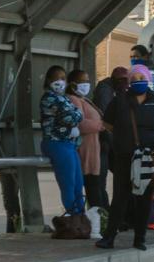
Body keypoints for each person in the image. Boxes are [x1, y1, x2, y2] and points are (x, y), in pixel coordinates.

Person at [96, 64, 154, 251]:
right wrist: (125, 136)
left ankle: (140, 238)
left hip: (150, 156)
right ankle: (109, 237)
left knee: (145, 197)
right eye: (134, 78)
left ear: (148, 80)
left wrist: (151, 138)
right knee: (120, 197)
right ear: (129, 81)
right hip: (125, 155)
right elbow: (108, 124)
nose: (138, 81)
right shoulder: (120, 100)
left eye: (142, 78)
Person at [40, 66, 85, 237]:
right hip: (56, 143)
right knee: (68, 184)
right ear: (49, 81)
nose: (60, 81)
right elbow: (72, 117)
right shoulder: (49, 98)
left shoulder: (63, 98)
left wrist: (76, 114)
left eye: (63, 78)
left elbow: (75, 115)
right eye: (55, 78)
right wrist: (77, 113)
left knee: (78, 182)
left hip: (68, 143)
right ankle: (73, 220)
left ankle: (80, 218)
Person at [66, 69, 105, 239]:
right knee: (91, 189)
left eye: (88, 80)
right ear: (73, 83)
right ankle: (92, 228)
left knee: (94, 189)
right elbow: (80, 124)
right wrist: (102, 125)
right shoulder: (74, 100)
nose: (86, 84)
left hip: (92, 150)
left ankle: (95, 226)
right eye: (83, 81)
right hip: (84, 151)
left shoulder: (84, 100)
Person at [93, 67, 129, 209]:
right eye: (123, 81)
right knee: (100, 181)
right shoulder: (105, 90)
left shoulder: (115, 89)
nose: (126, 84)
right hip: (104, 141)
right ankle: (106, 213)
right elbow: (107, 118)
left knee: (122, 178)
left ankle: (117, 213)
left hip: (110, 140)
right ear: (116, 80)